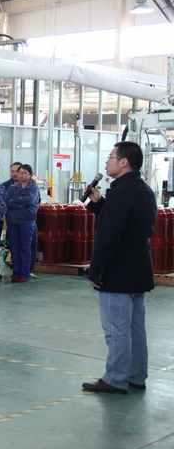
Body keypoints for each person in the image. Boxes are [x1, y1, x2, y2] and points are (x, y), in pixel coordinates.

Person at [82, 141, 157, 395]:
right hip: (138, 269)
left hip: (117, 271)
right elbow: (127, 223)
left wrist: (96, 271)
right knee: (135, 328)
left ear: (124, 162)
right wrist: (99, 204)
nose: (107, 162)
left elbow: (110, 235)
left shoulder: (121, 192)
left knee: (116, 329)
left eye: (111, 157)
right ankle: (136, 375)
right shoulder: (143, 190)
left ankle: (115, 378)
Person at [5, 164, 40, 283]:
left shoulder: (33, 188)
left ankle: (24, 273)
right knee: (14, 247)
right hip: (13, 221)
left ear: (30, 175)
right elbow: (7, 202)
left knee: (25, 247)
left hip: (27, 221)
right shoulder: (12, 188)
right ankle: (16, 272)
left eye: (25, 173)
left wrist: (15, 202)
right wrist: (20, 203)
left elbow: (30, 200)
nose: (22, 175)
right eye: (20, 172)